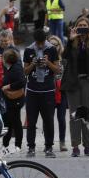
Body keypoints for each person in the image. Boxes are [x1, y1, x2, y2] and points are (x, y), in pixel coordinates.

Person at [62, 17, 89, 157]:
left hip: (88, 82)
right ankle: (75, 146)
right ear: (75, 27)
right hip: (73, 83)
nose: (82, 28)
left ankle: (88, 146)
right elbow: (65, 56)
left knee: (88, 115)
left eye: (84, 26)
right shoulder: (72, 43)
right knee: (74, 115)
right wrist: (70, 39)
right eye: (79, 26)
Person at [23, 29, 60, 158]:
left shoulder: (51, 49)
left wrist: (48, 63)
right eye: (38, 43)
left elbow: (57, 70)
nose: (40, 46)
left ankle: (49, 147)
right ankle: (31, 147)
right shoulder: (28, 50)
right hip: (33, 90)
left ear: (45, 40)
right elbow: (25, 72)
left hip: (48, 90)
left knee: (49, 120)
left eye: (42, 43)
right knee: (31, 121)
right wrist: (33, 64)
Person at [0, 48, 26, 152]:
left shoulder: (16, 68)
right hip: (10, 100)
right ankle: (5, 144)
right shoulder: (9, 68)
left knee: (15, 122)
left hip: (16, 99)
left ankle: (17, 145)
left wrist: (8, 86)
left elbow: (22, 82)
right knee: (9, 122)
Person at [49, 35, 68, 152]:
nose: (54, 47)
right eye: (51, 45)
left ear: (59, 46)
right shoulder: (46, 58)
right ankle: (49, 142)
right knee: (48, 118)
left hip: (62, 91)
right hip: (49, 91)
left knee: (61, 118)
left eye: (56, 45)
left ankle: (62, 142)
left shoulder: (64, 59)